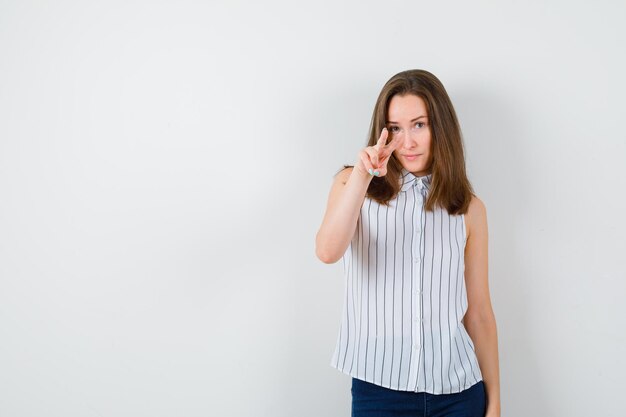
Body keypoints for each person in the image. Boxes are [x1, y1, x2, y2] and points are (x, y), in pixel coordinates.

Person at [315, 69, 501, 417]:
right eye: (396, 128)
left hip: (459, 392)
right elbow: (327, 251)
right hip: (379, 391)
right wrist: (361, 175)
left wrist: (494, 403)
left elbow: (478, 314)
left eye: (420, 125)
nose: (408, 142)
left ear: (440, 127)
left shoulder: (470, 209)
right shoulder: (352, 184)